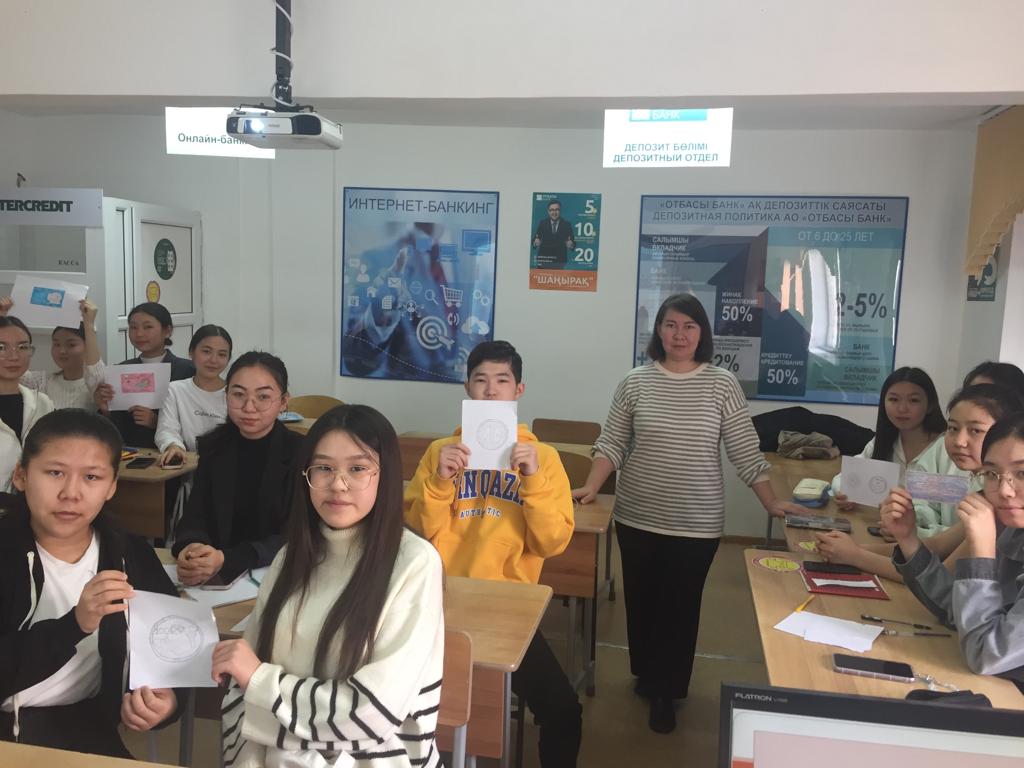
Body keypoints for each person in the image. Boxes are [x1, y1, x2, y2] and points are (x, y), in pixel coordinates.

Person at [571, 293, 803, 734]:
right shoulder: (635, 382)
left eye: (689, 326)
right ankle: (647, 673)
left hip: (696, 522)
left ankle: (668, 691)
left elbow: (744, 450)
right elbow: (613, 442)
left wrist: (771, 503)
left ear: (702, 334)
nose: (680, 334)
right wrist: (593, 485)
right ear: (659, 330)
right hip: (637, 515)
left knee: (679, 606)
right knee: (642, 600)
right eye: (671, 325)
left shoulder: (721, 384)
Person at [214, 405, 444, 767]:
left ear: (386, 475)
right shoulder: (290, 557)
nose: (338, 484)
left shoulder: (413, 562)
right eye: (323, 468)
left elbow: (373, 713)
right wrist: (255, 685)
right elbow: (242, 687)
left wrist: (262, 684)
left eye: (357, 469)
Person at [404, 340, 581, 767]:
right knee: (426, 707)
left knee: (563, 711)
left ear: (518, 390)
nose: (490, 390)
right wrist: (441, 481)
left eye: (502, 381)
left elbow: (551, 543)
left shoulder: (545, 458)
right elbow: (418, 533)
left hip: (509, 608)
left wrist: (532, 479)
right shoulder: (439, 452)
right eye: (480, 380)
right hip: (442, 602)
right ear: (467, 387)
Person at [0, 409, 179, 756]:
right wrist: (74, 625)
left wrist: (167, 701)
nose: (71, 493)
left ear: (112, 487)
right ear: (21, 475)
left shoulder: (126, 553)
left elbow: (172, 645)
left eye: (92, 477)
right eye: (55, 473)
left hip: (87, 722)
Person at [818, 384, 1024, 581]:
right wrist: (855, 549)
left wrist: (856, 556)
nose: (959, 441)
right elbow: (938, 545)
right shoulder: (987, 496)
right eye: (953, 428)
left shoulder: (1006, 504)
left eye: (975, 431)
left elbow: (942, 578)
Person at [887, 412, 1024, 688]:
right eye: (992, 474)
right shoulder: (1013, 530)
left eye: (1021, 474)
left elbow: (984, 653)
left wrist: (981, 554)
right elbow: (960, 611)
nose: (1005, 491)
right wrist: (908, 540)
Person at [171, 352, 301, 586]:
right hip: (214, 576)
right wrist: (192, 547)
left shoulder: (301, 453)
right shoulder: (213, 447)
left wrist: (226, 559)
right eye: (239, 394)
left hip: (274, 573)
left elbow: (297, 534)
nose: (249, 407)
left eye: (263, 397)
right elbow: (195, 515)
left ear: (283, 402)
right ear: (226, 396)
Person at [831, 367, 949, 535]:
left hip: (926, 543)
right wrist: (846, 494)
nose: (902, 408)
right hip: (882, 532)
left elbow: (947, 517)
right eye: (893, 399)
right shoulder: (883, 441)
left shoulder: (946, 449)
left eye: (913, 400)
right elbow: (845, 477)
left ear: (930, 405)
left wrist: (908, 524)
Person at [155, 325, 232, 539]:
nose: (213, 360)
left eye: (222, 354)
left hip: (228, 480)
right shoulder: (175, 389)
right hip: (190, 481)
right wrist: (174, 446)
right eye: (206, 351)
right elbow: (167, 429)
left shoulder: (235, 392)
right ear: (191, 352)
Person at [95, 302, 195, 449]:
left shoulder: (187, 370)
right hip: (130, 455)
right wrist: (106, 410)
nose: (139, 334)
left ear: (167, 331)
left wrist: (158, 422)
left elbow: (195, 423)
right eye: (133, 327)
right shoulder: (122, 370)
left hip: (173, 455)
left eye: (148, 327)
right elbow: (113, 430)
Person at [0, 297, 105, 410]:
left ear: (87, 346)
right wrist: (2, 318)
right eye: (56, 344)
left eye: (71, 345)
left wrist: (89, 325)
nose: (62, 351)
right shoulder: (41, 382)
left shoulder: (95, 387)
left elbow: (97, 378)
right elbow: (8, 372)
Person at [0, 316, 55, 491]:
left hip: (34, 502)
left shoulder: (42, 403)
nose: (14, 356)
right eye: (1, 347)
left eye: (23, 347)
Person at [532, 199, 575, 269]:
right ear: (548, 211)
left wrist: (571, 244)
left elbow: (572, 242)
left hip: (560, 261)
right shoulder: (542, 223)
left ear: (560, 211)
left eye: (557, 209)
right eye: (551, 210)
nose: (554, 212)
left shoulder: (567, 224)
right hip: (544, 261)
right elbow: (535, 239)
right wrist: (535, 242)